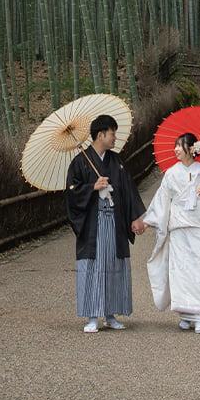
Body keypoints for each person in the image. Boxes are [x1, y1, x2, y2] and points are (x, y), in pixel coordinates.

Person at [133, 132, 200, 332]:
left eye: (179, 146)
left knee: (199, 272)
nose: (175, 150)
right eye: (175, 146)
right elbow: (162, 200)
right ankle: (184, 314)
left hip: (198, 228)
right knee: (180, 272)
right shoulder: (172, 173)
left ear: (192, 149)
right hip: (179, 229)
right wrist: (147, 221)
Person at [65, 113, 147, 333]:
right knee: (93, 267)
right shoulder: (80, 162)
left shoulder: (116, 161)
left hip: (114, 222)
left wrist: (136, 217)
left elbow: (128, 190)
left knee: (112, 265)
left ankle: (110, 314)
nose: (114, 138)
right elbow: (71, 194)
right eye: (112, 134)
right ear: (100, 135)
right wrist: (92, 186)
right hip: (93, 223)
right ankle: (92, 316)